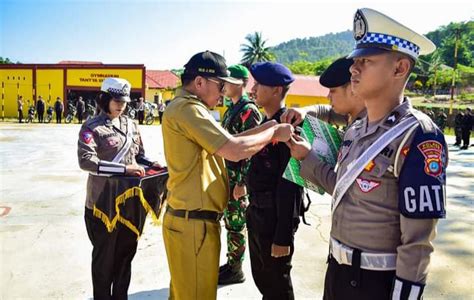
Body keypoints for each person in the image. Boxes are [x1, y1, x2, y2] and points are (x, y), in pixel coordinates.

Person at [287, 8, 447, 300]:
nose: (353, 69)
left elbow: (417, 243)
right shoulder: (355, 129)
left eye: (366, 61)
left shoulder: (418, 135)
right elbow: (343, 188)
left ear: (399, 69)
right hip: (337, 271)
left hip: (375, 285)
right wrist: (306, 158)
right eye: (355, 60)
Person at [161, 51, 294, 300]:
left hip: (193, 221)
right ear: (199, 82)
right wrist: (274, 133)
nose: (222, 92)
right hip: (193, 225)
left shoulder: (186, 108)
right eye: (220, 85)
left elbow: (227, 142)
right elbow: (233, 150)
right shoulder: (189, 109)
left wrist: (267, 127)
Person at [77, 77, 162, 299]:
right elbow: (86, 161)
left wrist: (154, 165)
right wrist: (125, 170)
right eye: (116, 100)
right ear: (104, 99)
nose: (121, 104)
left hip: (129, 205)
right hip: (101, 205)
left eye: (124, 100)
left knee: (125, 259)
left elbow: (139, 156)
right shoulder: (91, 127)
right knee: (104, 263)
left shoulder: (131, 125)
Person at [245, 62, 304, 300]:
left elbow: (291, 185)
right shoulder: (267, 124)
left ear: (277, 90)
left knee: (277, 284)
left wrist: (283, 236)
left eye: (260, 84)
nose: (254, 89)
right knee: (263, 280)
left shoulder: (288, 128)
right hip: (258, 212)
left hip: (274, 218)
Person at [218, 64, 262, 285]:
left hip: (238, 179)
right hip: (228, 176)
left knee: (236, 225)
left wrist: (242, 182)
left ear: (241, 84)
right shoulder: (232, 108)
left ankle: (236, 269)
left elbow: (252, 149)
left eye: (229, 82)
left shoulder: (248, 110)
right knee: (230, 223)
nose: (224, 86)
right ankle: (231, 263)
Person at [281, 57, 366, 128]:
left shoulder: (369, 124)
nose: (328, 97)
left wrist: (307, 149)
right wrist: (303, 111)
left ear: (353, 89)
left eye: (332, 91)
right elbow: (327, 113)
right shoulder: (353, 115)